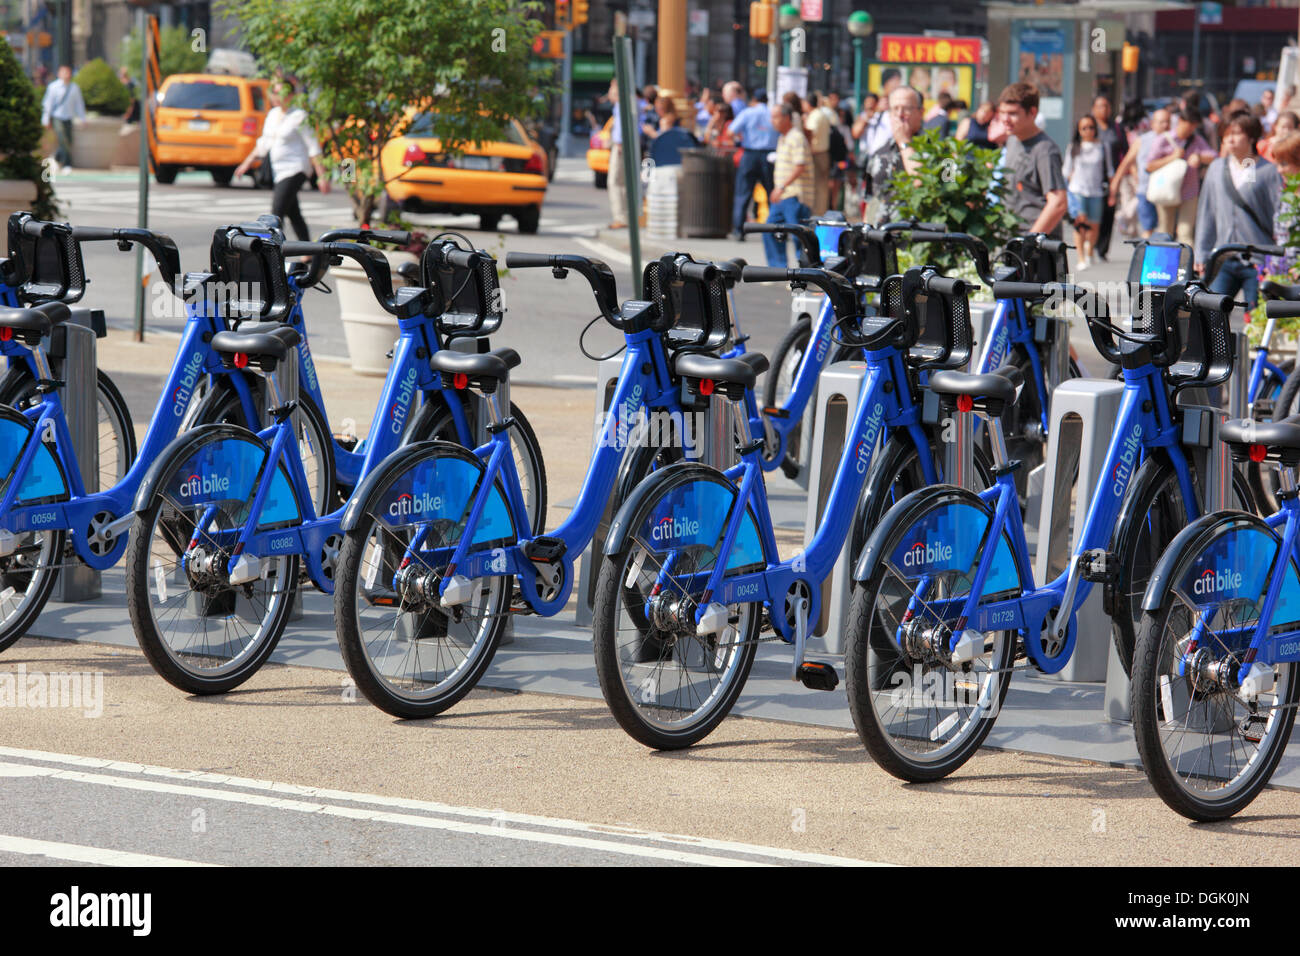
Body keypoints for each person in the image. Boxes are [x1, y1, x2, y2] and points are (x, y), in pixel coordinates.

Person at [1196, 112, 1284, 311]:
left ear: (1252, 137)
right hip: (1223, 256)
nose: (1230, 139)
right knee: (1212, 317)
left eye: (1236, 133)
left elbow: (1279, 215)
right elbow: (1207, 212)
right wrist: (1201, 252)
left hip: (1259, 260)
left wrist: (1279, 261)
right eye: (1226, 134)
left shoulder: (1266, 171)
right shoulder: (1217, 168)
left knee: (1258, 317)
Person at [233, 78, 329, 241]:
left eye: (280, 92)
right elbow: (264, 143)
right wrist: (246, 164)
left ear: (291, 95)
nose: (276, 96)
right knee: (294, 213)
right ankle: (309, 251)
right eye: (274, 92)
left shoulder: (299, 116)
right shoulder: (272, 115)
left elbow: (313, 147)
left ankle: (274, 251)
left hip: (295, 169)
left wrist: (322, 176)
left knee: (276, 212)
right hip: (278, 170)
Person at [998, 82, 1068, 238]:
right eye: (1002, 112)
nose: (1005, 119)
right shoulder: (1012, 140)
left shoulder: (1045, 150)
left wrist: (1029, 243)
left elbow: (1058, 203)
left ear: (1032, 112)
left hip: (1035, 250)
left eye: (1012, 113)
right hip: (1009, 240)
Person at [1146, 105, 1216, 244]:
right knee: (1165, 232)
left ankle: (1187, 264)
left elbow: (1214, 156)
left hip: (1189, 192)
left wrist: (1200, 157)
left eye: (1194, 126)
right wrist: (1172, 157)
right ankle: (1163, 265)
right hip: (1166, 191)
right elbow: (1149, 165)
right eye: (1189, 125)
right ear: (1180, 121)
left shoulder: (1196, 140)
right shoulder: (1163, 139)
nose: (1190, 129)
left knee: (1185, 232)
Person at [864, 85, 925, 224]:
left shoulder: (943, 153)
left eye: (907, 108)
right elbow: (870, 201)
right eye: (894, 109)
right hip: (879, 239)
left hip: (916, 239)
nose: (900, 114)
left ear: (921, 112)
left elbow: (922, 183)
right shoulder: (879, 153)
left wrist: (904, 142)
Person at [763, 103, 815, 266]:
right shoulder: (783, 137)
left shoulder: (796, 137)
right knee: (770, 230)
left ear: (786, 118)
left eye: (775, 117)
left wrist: (781, 187)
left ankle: (805, 273)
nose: (772, 121)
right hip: (783, 195)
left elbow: (800, 166)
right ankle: (778, 269)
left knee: (798, 236)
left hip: (795, 195)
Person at [1110, 107, 1170, 239]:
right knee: (1148, 229)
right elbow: (1126, 162)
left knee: (1166, 231)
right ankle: (1146, 258)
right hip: (1146, 191)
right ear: (1153, 123)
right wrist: (1115, 183)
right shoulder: (1142, 140)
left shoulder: (1175, 140)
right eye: (1161, 122)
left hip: (1168, 193)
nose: (1165, 125)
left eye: (1168, 121)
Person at [1063, 115, 1113, 270]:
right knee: (1080, 224)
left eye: (1091, 127)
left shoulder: (1102, 147)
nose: (1088, 131)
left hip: (1096, 191)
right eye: (1084, 128)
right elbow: (1066, 170)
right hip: (1078, 190)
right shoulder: (1074, 147)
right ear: (1079, 130)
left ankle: (1090, 251)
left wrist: (1112, 192)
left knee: (1094, 225)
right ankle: (1081, 258)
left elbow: (1110, 170)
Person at [728, 89, 777, 240]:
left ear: (754, 99)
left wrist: (742, 137)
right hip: (769, 155)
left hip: (749, 154)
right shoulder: (772, 113)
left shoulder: (748, 113)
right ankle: (776, 229)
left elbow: (731, 131)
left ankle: (739, 230)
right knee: (771, 194)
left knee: (743, 193)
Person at [1091, 95, 1126, 261]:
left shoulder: (1117, 128)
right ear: (1093, 109)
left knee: (1108, 212)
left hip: (1113, 177)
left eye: (1106, 106)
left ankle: (1102, 249)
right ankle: (1090, 245)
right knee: (1092, 212)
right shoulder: (1089, 128)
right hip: (1091, 178)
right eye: (1100, 106)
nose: (1103, 109)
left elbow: (1125, 152)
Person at [41, 64, 86, 172]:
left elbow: (79, 104)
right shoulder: (53, 87)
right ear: (59, 73)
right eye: (64, 72)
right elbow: (48, 104)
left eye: (68, 72)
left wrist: (82, 118)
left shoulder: (74, 87)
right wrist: (45, 119)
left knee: (68, 141)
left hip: (69, 117)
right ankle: (67, 164)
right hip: (57, 117)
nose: (66, 74)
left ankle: (56, 158)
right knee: (62, 139)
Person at [603, 78, 630, 228]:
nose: (609, 94)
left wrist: (618, 143)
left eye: (612, 90)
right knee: (622, 182)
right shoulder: (623, 106)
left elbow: (620, 127)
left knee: (614, 181)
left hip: (620, 146)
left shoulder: (621, 106)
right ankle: (624, 216)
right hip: (622, 145)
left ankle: (620, 218)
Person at [804, 92, 832, 214]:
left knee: (817, 187)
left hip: (816, 155)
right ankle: (821, 213)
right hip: (824, 153)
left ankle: (817, 214)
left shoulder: (815, 115)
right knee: (822, 187)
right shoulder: (822, 114)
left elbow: (810, 132)